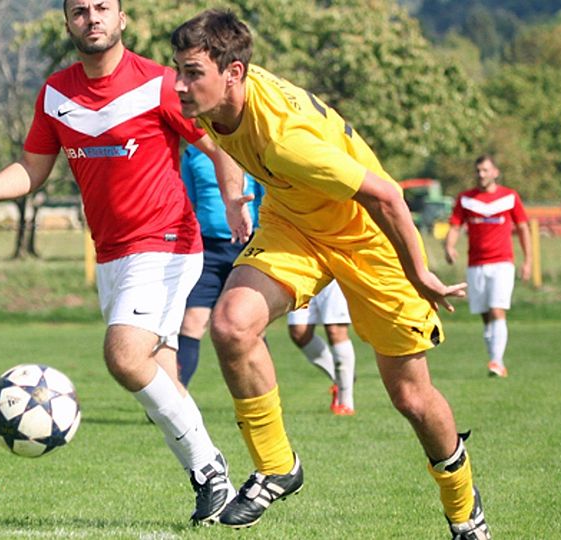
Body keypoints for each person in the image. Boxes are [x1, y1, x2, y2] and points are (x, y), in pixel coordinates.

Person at [170, 10, 491, 539]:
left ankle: (464, 510)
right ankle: (277, 466)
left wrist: (421, 273)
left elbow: (387, 195)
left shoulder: (285, 139)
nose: (179, 84)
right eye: (178, 70)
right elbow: (217, 141)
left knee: (411, 397)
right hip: (293, 224)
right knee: (231, 326)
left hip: (368, 238)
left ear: (234, 73)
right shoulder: (209, 101)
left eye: (191, 73)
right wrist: (233, 198)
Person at [0, 0, 246, 526]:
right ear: (68, 22)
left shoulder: (162, 84)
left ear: (123, 19)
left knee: (124, 356)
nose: (92, 17)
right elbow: (31, 170)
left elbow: (221, 145)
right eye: (80, 10)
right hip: (113, 255)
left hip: (167, 241)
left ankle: (211, 472)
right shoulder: (56, 93)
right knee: (161, 377)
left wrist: (235, 198)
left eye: (103, 7)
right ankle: (214, 480)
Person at [178, 144, 263, 387]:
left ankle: (262, 393)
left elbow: (266, 201)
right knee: (192, 322)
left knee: (251, 326)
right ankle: (173, 401)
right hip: (208, 252)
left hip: (247, 247)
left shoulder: (249, 149)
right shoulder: (193, 154)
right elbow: (189, 203)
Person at [445, 154, 531, 378]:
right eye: (478, 171)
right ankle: (494, 358)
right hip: (476, 265)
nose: (481, 175)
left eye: (485, 170)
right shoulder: (466, 199)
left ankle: (496, 362)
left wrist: (528, 260)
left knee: (496, 309)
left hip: (502, 263)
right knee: (485, 315)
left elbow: (523, 228)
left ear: (495, 172)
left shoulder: (510, 197)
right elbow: (455, 226)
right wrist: (449, 246)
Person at [286, 280, 357, 415]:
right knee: (299, 332)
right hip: (301, 271)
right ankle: (342, 378)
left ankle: (345, 403)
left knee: (335, 331)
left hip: (333, 273)